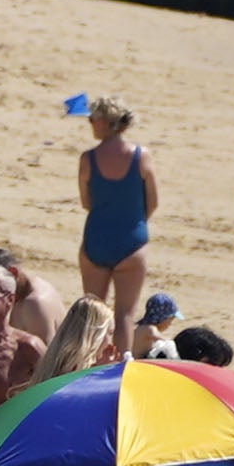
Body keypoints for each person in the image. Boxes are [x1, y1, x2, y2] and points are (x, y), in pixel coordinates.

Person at [73, 97, 157, 345]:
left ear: (105, 123)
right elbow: (152, 201)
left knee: (92, 315)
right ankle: (120, 372)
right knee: (125, 316)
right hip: (131, 240)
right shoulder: (141, 157)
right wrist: (133, 221)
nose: (89, 123)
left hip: (97, 238)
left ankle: (86, 369)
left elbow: (86, 201)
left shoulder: (88, 159)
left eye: (92, 119)